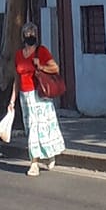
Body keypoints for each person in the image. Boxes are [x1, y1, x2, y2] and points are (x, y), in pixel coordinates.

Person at [12, 24, 66, 175]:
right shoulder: (18, 55)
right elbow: (17, 78)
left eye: (32, 33)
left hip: (39, 95)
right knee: (31, 128)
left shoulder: (41, 51)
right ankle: (43, 156)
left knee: (40, 128)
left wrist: (40, 66)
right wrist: (12, 100)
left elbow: (55, 68)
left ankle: (35, 163)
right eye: (27, 33)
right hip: (25, 96)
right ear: (22, 36)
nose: (30, 35)